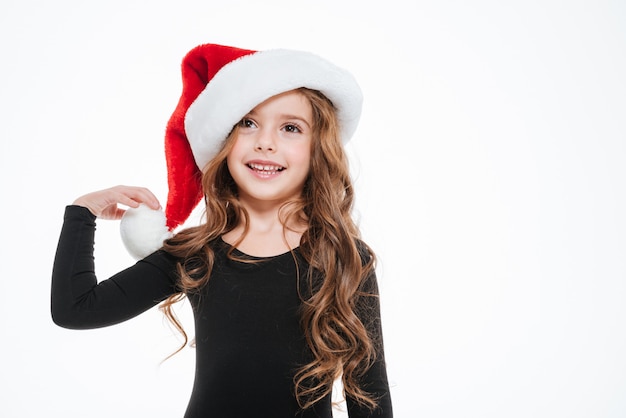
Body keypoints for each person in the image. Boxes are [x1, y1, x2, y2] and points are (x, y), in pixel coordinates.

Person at [51, 43, 393, 417]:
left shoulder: (344, 257)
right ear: (224, 141)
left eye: (291, 128)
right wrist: (81, 213)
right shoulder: (195, 254)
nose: (265, 141)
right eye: (248, 123)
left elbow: (369, 395)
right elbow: (75, 309)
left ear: (318, 149)